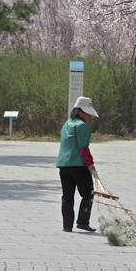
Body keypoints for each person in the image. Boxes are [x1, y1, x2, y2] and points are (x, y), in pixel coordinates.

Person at [56, 96, 99, 232]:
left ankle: (67, 226)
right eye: (88, 114)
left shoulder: (67, 124)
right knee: (88, 193)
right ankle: (82, 221)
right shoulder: (82, 126)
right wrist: (90, 164)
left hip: (64, 165)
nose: (89, 117)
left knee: (67, 196)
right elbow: (83, 148)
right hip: (78, 166)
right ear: (80, 112)